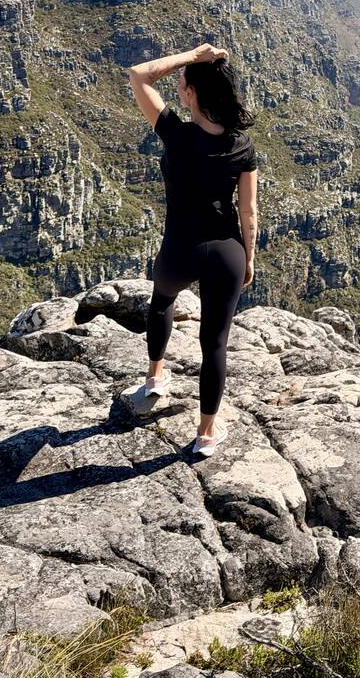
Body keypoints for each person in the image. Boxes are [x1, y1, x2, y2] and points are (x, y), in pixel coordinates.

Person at [128, 42, 259, 457]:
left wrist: (190, 57)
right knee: (214, 343)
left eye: (183, 86)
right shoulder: (242, 146)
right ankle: (205, 435)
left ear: (190, 94)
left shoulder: (175, 134)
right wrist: (249, 258)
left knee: (162, 302)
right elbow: (249, 211)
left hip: (180, 249)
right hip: (226, 253)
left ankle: (155, 379)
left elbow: (139, 74)